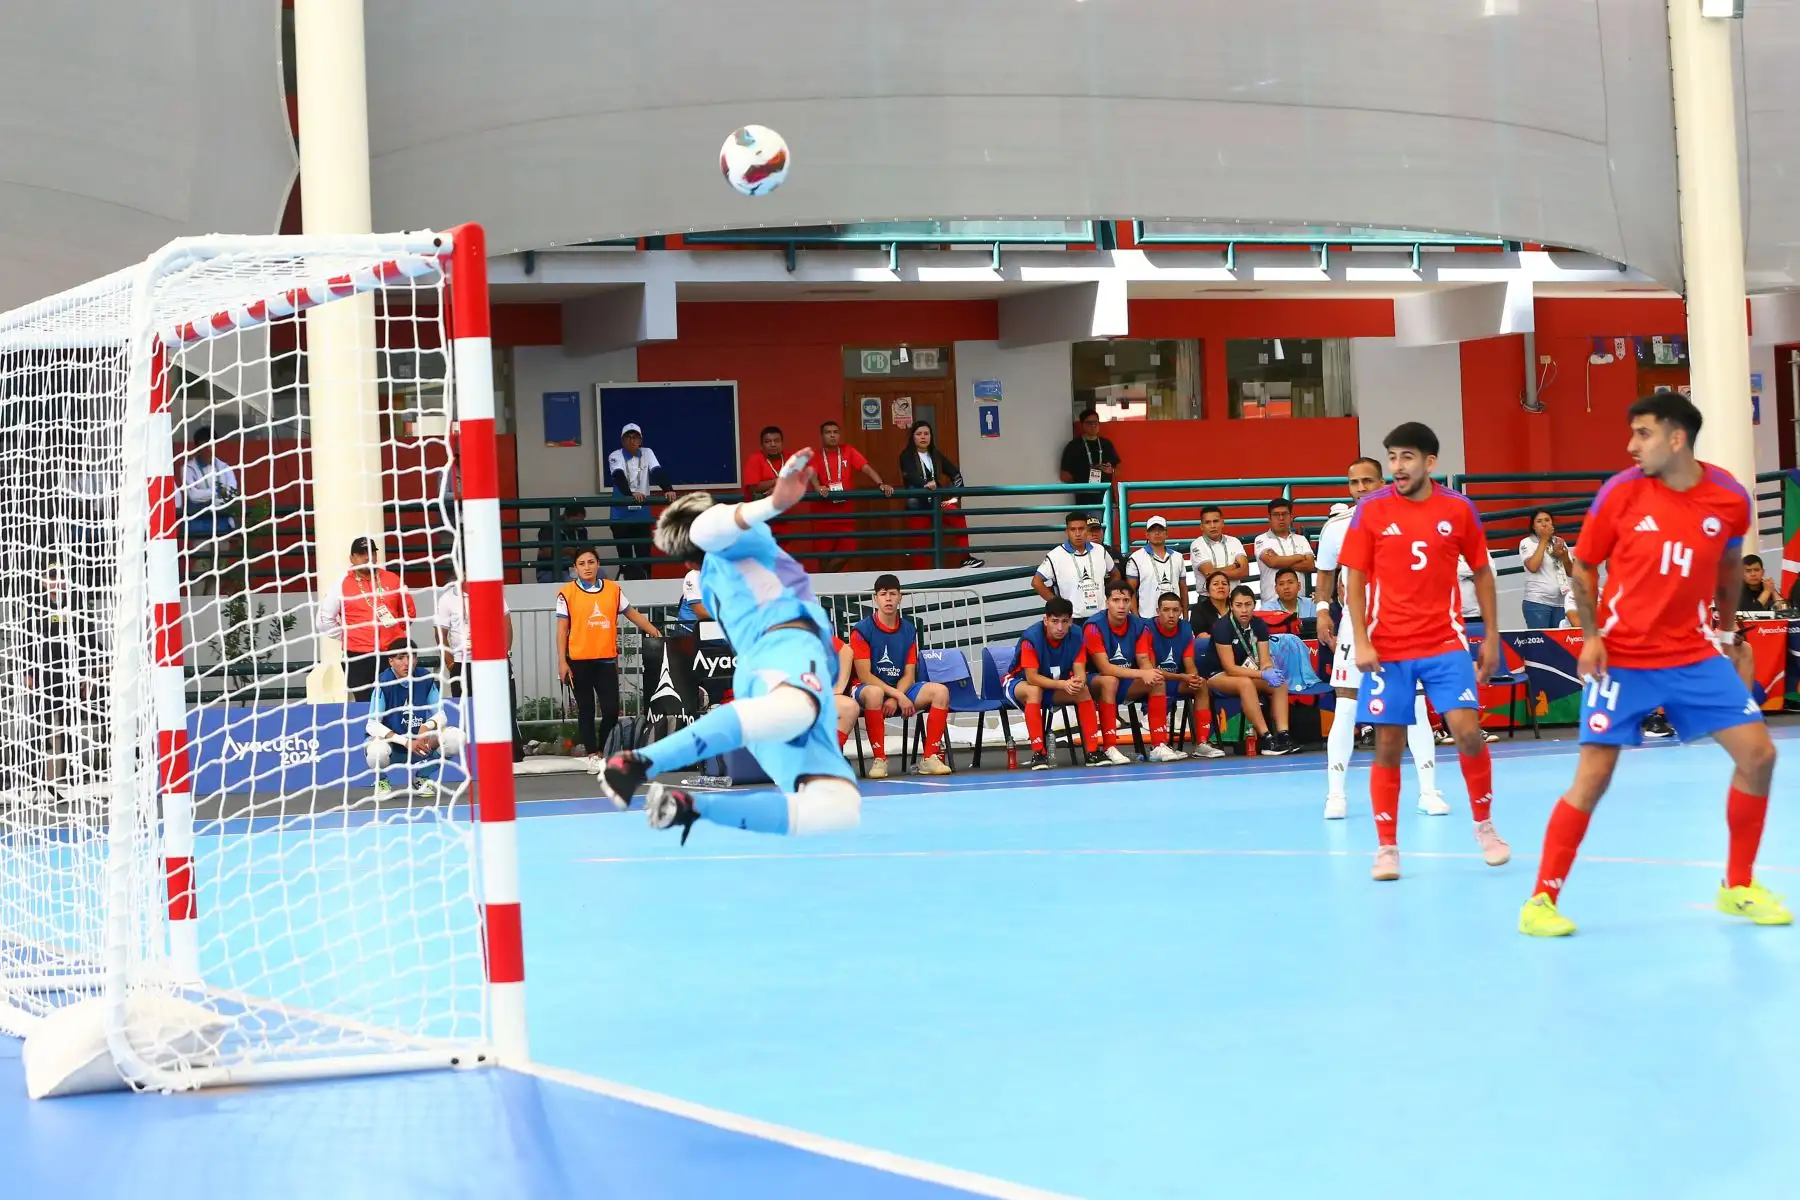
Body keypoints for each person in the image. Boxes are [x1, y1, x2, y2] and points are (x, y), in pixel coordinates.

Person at [1520, 393, 1787, 936]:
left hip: (1692, 652)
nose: (1630, 444)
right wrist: (1591, 637)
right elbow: (1585, 568)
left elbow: (1731, 565)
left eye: (1642, 433)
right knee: (1593, 778)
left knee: (1758, 757)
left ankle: (1737, 887)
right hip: (1622, 656)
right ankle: (1540, 902)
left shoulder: (1729, 498)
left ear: (1676, 438)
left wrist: (1730, 631)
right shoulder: (1620, 492)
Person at [597, 447, 864, 842]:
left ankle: (693, 808)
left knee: (837, 807)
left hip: (764, 675)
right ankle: (639, 762)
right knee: (795, 707)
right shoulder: (738, 544)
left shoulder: (709, 576)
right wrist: (773, 502)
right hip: (786, 648)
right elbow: (710, 526)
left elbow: (706, 530)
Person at [1340, 422, 1508, 882]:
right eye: (1392, 457)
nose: (1397, 466)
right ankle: (1387, 848)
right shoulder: (1371, 510)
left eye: (1407, 457)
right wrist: (1362, 638)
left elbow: (1483, 572)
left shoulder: (1458, 509)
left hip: (1444, 641)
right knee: (1389, 744)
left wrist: (1490, 636)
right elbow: (1354, 578)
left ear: (1430, 462)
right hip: (1387, 646)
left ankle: (1485, 827)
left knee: (1468, 733)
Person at [1314, 458, 1446, 822]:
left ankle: (1429, 790)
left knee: (1415, 703)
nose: (1360, 488)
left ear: (1382, 482)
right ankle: (1336, 795)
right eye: (1354, 482)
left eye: (1367, 481)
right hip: (1355, 628)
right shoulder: (1335, 528)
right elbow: (1324, 577)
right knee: (1345, 705)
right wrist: (1323, 610)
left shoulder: (1409, 518)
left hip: (1404, 623)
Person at [555, 548, 662, 761]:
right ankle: (592, 753)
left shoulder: (613, 589)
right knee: (585, 710)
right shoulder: (566, 593)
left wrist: (655, 633)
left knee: (611, 710)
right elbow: (562, 629)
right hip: (578, 661)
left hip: (605, 660)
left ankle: (605, 749)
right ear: (575, 568)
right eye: (582, 563)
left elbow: (632, 614)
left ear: (598, 564)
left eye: (591, 562)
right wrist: (562, 662)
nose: (587, 567)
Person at [850, 574, 953, 778]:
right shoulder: (861, 630)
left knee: (940, 691)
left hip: (900, 689)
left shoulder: (908, 629)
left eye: (893, 594)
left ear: (900, 597)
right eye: (883, 594)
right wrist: (897, 696)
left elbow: (909, 673)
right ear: (875, 599)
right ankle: (880, 759)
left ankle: (930, 757)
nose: (888, 598)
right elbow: (864, 675)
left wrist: (897, 696)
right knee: (874, 693)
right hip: (866, 688)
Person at [1002, 597, 1105, 771]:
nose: (1060, 627)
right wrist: (1064, 684)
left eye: (1065, 622)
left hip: (1056, 684)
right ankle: (1038, 753)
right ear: (1046, 620)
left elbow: (1080, 671)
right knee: (1034, 690)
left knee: (1083, 690)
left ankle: (1093, 752)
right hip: (1019, 683)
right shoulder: (1031, 638)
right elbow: (1032, 677)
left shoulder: (1078, 635)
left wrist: (1077, 682)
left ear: (1071, 621)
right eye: (1055, 621)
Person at [434, 579, 525, 762]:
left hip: (494, 661)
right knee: (465, 710)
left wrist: (504, 653)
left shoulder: (491, 592)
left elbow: (506, 623)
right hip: (463, 663)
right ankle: (470, 754)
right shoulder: (447, 599)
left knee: (503, 705)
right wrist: (451, 662)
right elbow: (440, 632)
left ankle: (510, 752)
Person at [315, 536, 416, 701]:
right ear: (352, 558)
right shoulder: (341, 584)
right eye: (361, 554)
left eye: (371, 553)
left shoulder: (392, 579)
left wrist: (394, 634)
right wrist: (348, 636)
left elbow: (409, 613)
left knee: (397, 702)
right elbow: (324, 620)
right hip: (358, 657)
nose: (367, 558)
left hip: (392, 654)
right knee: (365, 705)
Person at [1206, 585, 1298, 756]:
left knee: (1279, 683)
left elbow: (1264, 660)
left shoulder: (1259, 624)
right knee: (1245, 683)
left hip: (1248, 673)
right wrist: (1262, 674)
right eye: (1239, 605)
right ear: (1231, 606)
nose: (1244, 610)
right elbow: (1230, 668)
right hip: (1217, 676)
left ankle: (1283, 735)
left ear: (1254, 605)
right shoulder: (1222, 627)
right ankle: (1266, 738)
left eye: (1248, 604)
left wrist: (1269, 670)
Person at [364, 645, 467, 797]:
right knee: (375, 751)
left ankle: (421, 777)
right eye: (401, 658)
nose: (407, 663)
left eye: (411, 657)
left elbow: (441, 715)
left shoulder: (425, 678)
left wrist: (426, 726)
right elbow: (372, 725)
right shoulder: (382, 683)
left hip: (420, 745)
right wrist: (405, 742)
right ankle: (382, 781)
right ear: (391, 661)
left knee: (457, 738)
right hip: (393, 748)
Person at [1143, 591, 1225, 758]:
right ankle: (1157, 746)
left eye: (1175, 610)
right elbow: (1150, 670)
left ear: (1181, 611)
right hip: (1149, 682)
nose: (1171, 615)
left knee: (1201, 684)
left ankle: (1201, 743)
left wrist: (1194, 677)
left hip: (1175, 680)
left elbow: (1189, 664)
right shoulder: (1147, 629)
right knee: (1157, 680)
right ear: (1158, 611)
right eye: (1166, 610)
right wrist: (1183, 677)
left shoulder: (1186, 628)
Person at [1080, 581, 1155, 765]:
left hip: (1125, 680)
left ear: (1131, 603)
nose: (1121, 605)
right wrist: (1140, 674)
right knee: (1109, 680)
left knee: (1156, 681)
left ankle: (1158, 745)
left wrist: (1149, 673)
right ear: (1106, 602)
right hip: (1093, 681)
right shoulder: (1093, 626)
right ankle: (1109, 747)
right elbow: (1104, 668)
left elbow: (1144, 660)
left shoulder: (1139, 625)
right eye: (1116, 600)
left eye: (1126, 600)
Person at [897, 421, 980, 568]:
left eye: (926, 434)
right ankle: (921, 580)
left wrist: (955, 497)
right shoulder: (906, 455)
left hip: (938, 502)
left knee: (957, 516)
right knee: (920, 546)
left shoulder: (936, 455)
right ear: (913, 437)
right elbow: (910, 475)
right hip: (917, 506)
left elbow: (955, 474)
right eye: (919, 434)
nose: (923, 437)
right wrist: (924, 484)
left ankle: (965, 557)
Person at [812, 420, 894, 570]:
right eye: (828, 432)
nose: (832, 435)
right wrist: (818, 487)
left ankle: (823, 579)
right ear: (822, 436)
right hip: (823, 514)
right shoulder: (816, 455)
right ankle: (824, 589)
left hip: (845, 513)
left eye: (835, 432)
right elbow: (810, 473)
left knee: (849, 549)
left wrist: (880, 483)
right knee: (823, 554)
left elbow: (866, 468)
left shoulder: (848, 450)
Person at [607, 423, 675, 580]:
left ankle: (647, 594)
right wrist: (631, 494)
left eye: (635, 437)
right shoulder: (615, 455)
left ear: (641, 440)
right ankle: (625, 597)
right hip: (621, 515)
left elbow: (657, 471)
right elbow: (618, 476)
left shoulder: (647, 452)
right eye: (628, 437)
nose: (632, 441)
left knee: (644, 557)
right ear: (622, 441)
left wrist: (668, 489)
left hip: (642, 514)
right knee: (625, 559)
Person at [1033, 511, 1118, 620]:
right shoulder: (1055, 555)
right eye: (1073, 529)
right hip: (1072, 618)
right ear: (1067, 531)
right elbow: (1036, 582)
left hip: (1101, 616)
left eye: (1081, 529)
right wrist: (1059, 605)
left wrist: (1108, 595)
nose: (1077, 533)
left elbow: (1115, 573)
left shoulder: (1100, 550)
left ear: (1087, 530)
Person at [1253, 498, 1314, 607]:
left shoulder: (1301, 539)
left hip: (1300, 602)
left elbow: (1310, 565)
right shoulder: (1261, 539)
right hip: (1271, 603)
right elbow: (1272, 562)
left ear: (1291, 517)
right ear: (1269, 518)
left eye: (1284, 514)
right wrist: (1299, 557)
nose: (1281, 518)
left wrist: (1280, 560)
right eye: (1276, 515)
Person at [1519, 509, 1574, 629]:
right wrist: (1544, 539)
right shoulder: (1527, 543)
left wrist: (1564, 556)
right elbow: (1533, 567)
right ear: (1533, 526)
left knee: (1560, 643)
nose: (1544, 524)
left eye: (1547, 520)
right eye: (1539, 521)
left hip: (1561, 602)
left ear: (1552, 524)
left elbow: (1571, 572)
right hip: (1537, 603)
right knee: (1541, 643)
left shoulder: (1560, 541)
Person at [1125, 515, 1187, 621]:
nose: (1157, 533)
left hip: (1175, 617)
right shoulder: (1136, 558)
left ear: (1166, 534)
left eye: (1160, 530)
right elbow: (1131, 591)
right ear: (1147, 534)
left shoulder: (1178, 557)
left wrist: (1185, 617)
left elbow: (1183, 588)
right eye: (1153, 530)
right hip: (1147, 618)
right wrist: (1136, 619)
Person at [1058, 407, 1122, 501]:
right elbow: (1064, 476)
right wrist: (1084, 474)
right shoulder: (1074, 446)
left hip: (1107, 498)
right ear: (1082, 424)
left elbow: (1119, 469)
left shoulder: (1106, 444)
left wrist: (1111, 470)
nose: (1093, 425)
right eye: (1089, 422)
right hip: (1085, 499)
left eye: (1096, 422)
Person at [1188, 505, 1249, 584]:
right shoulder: (1197, 544)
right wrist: (1234, 566)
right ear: (1201, 526)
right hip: (1208, 596)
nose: (1212, 526)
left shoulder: (1234, 541)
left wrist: (1214, 571)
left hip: (1234, 594)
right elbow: (1209, 574)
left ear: (1222, 523)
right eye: (1208, 522)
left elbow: (1245, 572)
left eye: (1216, 521)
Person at [534, 504, 589, 583]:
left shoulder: (581, 530)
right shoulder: (549, 528)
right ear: (566, 516)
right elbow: (543, 552)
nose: (578, 525)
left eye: (581, 521)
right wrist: (567, 551)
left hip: (576, 569)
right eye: (575, 521)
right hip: (550, 570)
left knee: (600, 574)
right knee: (571, 582)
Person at [744, 426, 786, 499]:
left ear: (782, 443)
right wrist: (778, 481)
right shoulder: (755, 459)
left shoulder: (791, 457)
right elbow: (753, 488)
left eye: (776, 441)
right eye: (767, 441)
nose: (773, 444)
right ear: (762, 445)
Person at [1189, 569, 1233, 635]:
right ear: (1208, 591)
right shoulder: (1198, 609)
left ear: (1229, 590)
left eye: (1224, 584)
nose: (1221, 587)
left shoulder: (1236, 606)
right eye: (1215, 584)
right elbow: (1202, 637)